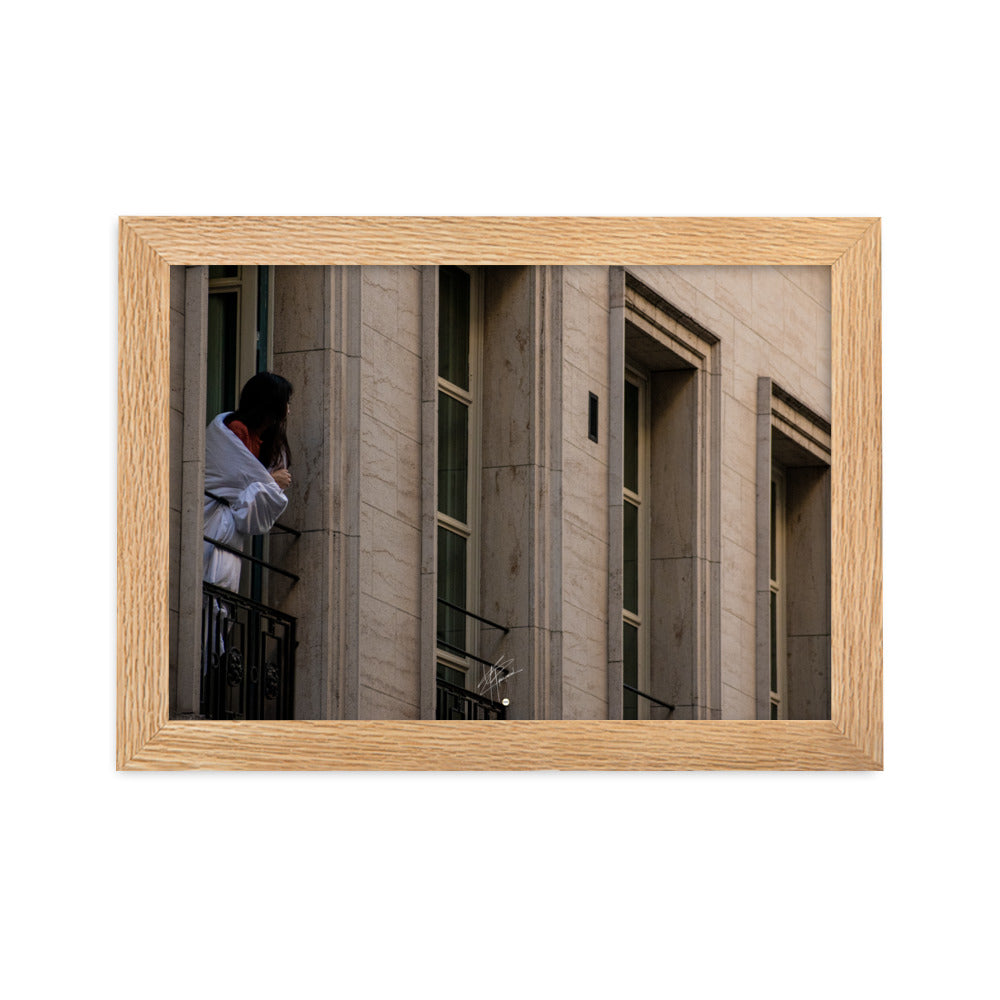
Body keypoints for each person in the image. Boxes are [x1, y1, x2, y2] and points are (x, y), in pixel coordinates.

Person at [203, 372, 294, 591]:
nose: (289, 409)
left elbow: (249, 483)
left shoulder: (263, 440)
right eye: (286, 402)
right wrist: (271, 481)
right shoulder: (238, 430)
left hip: (231, 529)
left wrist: (266, 483)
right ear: (271, 404)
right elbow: (234, 478)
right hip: (214, 519)